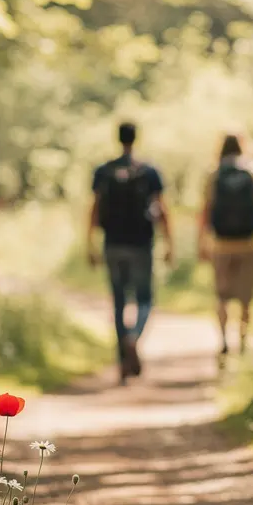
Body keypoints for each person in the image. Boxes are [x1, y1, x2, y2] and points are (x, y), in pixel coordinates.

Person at [88, 122, 173, 385]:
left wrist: (89, 243)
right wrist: (170, 243)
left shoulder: (104, 171)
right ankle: (133, 337)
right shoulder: (149, 171)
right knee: (145, 299)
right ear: (136, 138)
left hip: (112, 244)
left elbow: (94, 209)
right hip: (141, 244)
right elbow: (162, 209)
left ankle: (123, 363)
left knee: (118, 301)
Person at [198, 134, 253, 355]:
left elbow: (204, 212)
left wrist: (201, 243)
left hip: (220, 244)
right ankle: (242, 342)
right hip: (249, 243)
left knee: (222, 296)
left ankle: (223, 340)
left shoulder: (212, 174)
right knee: (246, 298)